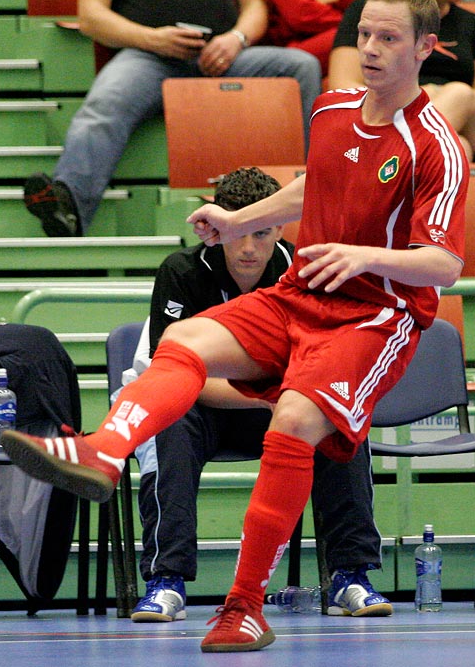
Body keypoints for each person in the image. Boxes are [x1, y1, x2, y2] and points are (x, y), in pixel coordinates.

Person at [2, 0, 468, 652]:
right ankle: (104, 452)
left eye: (387, 38)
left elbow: (445, 264)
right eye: (364, 32)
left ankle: (243, 607)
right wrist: (234, 220)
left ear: (425, 47)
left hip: (373, 319)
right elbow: (310, 189)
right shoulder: (333, 109)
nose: (368, 47)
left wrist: (363, 256)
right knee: (185, 339)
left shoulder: (436, 145)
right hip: (300, 296)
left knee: (296, 419)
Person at [127, 166, 390, 623]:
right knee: (169, 418)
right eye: (239, 233)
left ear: (281, 228)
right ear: (218, 228)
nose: (248, 248)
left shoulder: (310, 270)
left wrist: (295, 401)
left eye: (261, 233)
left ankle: (350, 575)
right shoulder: (181, 272)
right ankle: (165, 581)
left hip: (284, 406)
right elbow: (177, 377)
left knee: (335, 414)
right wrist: (265, 398)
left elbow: (329, 365)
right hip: (210, 406)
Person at [21, 0, 322, 238]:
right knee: (104, 104)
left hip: (224, 55)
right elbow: (90, 17)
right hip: (147, 55)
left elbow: (255, 4)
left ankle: (316, 191)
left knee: (301, 67)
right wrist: (153, 39)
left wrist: (236, 39)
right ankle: (67, 205)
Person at [328, 0, 475, 162]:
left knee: (460, 94)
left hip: (463, 115)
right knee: (457, 148)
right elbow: (341, 84)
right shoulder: (371, 13)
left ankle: (388, 159)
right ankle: (396, 160)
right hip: (387, 107)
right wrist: (409, 97)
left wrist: (428, 96)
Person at [261, 0, 389, 74]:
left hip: (356, 33)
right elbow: (302, 14)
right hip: (300, 46)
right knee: (369, 34)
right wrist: (354, 16)